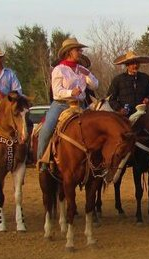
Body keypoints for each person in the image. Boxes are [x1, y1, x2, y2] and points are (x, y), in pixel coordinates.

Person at [37, 38, 98, 168]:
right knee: (46, 129)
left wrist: (88, 75)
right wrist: (71, 93)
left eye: (80, 50)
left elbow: (95, 86)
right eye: (78, 50)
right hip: (61, 104)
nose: (80, 52)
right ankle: (42, 161)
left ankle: (97, 162)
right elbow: (56, 91)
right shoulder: (59, 70)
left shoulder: (81, 69)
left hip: (80, 105)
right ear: (69, 52)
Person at [107, 51, 149, 116]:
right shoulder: (118, 80)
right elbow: (111, 98)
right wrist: (119, 109)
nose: (135, 65)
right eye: (132, 63)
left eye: (137, 63)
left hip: (144, 114)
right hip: (124, 115)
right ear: (127, 65)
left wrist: (148, 99)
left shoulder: (146, 78)